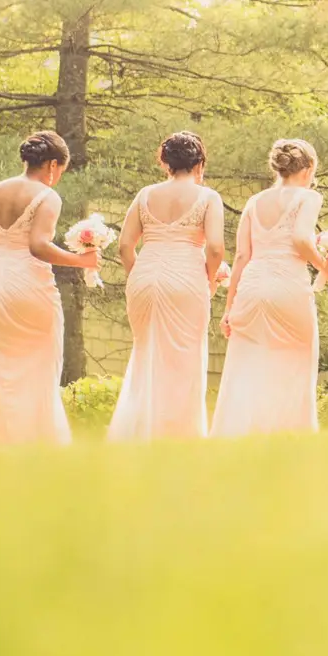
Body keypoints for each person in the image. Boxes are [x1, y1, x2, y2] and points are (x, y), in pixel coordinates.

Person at [0, 130, 100, 445]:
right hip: (27, 287)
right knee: (35, 368)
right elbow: (38, 245)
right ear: (52, 165)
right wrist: (81, 261)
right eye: (60, 171)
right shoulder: (47, 196)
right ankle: (29, 442)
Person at [108, 131, 225, 442]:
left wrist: (138, 275)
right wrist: (210, 280)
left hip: (145, 277)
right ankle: (178, 436)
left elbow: (125, 246)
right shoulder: (208, 198)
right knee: (184, 361)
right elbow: (215, 249)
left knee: (146, 354)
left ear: (165, 163)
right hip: (186, 279)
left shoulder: (145, 194)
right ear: (199, 163)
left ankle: (139, 432)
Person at [210, 140, 328, 435]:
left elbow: (242, 255)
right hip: (288, 286)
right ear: (309, 169)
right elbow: (301, 239)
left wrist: (229, 308)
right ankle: (288, 437)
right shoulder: (308, 198)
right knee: (296, 363)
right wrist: (323, 265)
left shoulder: (255, 202)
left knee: (246, 366)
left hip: (251, 288)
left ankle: (237, 435)